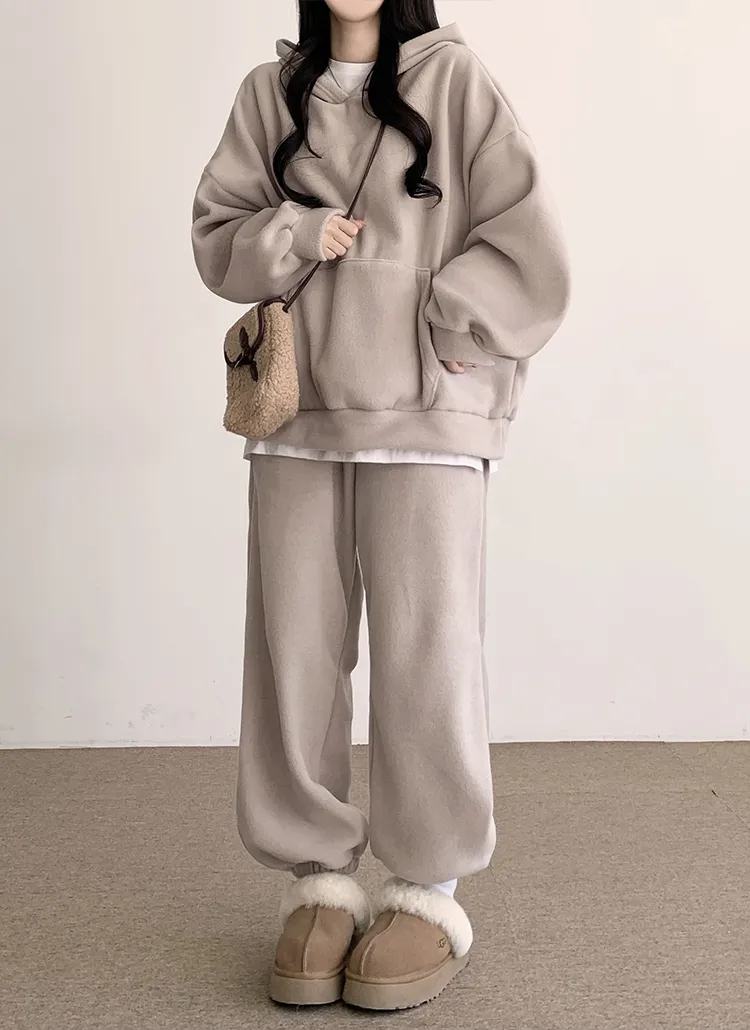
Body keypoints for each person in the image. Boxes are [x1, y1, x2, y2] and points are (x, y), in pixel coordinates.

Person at [192, 0, 569, 1012]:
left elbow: (530, 245)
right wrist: (297, 231)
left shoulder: (457, 82)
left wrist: (449, 318)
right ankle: (317, 880)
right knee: (294, 653)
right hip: (297, 413)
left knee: (428, 651)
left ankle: (427, 891)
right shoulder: (269, 94)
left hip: (426, 417)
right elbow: (216, 236)